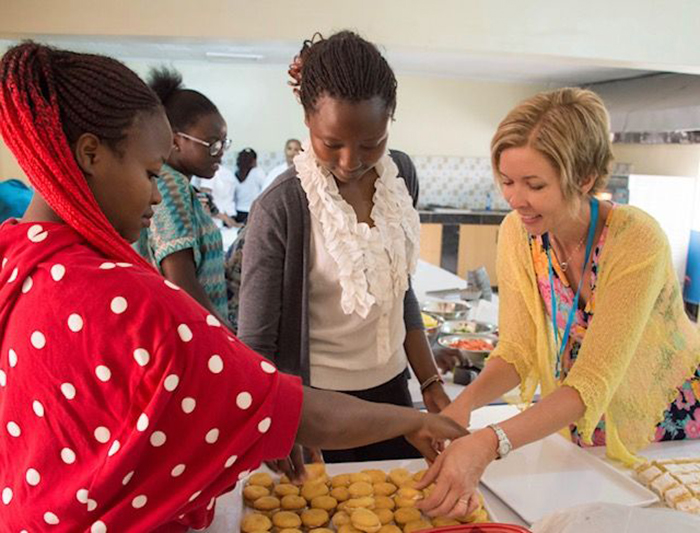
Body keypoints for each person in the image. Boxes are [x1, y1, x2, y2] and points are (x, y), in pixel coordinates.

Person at [0, 42, 466, 532]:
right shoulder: (133, 303)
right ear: (91, 153)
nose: (157, 194)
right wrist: (410, 420)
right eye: (151, 173)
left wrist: (423, 387)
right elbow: (283, 402)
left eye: (372, 144)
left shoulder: (17, 255)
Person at [417, 88, 700, 518]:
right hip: (580, 419)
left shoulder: (635, 240)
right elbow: (516, 349)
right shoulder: (520, 232)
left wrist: (490, 441)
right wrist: (465, 405)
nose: (515, 199)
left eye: (535, 185)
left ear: (584, 179)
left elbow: (594, 380)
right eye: (507, 181)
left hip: (667, 427)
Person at [238, 31, 450, 463]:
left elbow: (398, 287)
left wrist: (429, 382)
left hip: (394, 398)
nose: (351, 161)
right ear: (307, 120)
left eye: (372, 143)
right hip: (317, 413)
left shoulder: (400, 176)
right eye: (331, 144)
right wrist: (278, 421)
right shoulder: (281, 206)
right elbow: (255, 344)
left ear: (391, 119)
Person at [136, 67, 230, 324]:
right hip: (196, 334)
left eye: (224, 143)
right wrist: (229, 342)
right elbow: (181, 281)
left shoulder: (178, 185)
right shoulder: (170, 186)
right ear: (176, 141)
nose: (220, 152)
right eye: (212, 144)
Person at [231, 147, 265, 224]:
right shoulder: (257, 172)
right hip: (253, 211)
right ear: (254, 160)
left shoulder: (235, 174)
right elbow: (265, 190)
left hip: (238, 212)